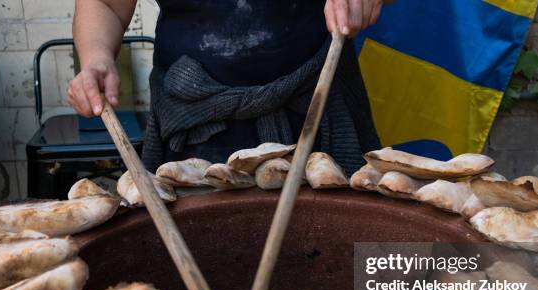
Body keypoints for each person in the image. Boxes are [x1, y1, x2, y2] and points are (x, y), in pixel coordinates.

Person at [68, 0, 386, 174]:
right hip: (196, 127)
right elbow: (106, 4)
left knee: (347, 255)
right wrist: (96, 57)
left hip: (318, 107)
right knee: (204, 261)